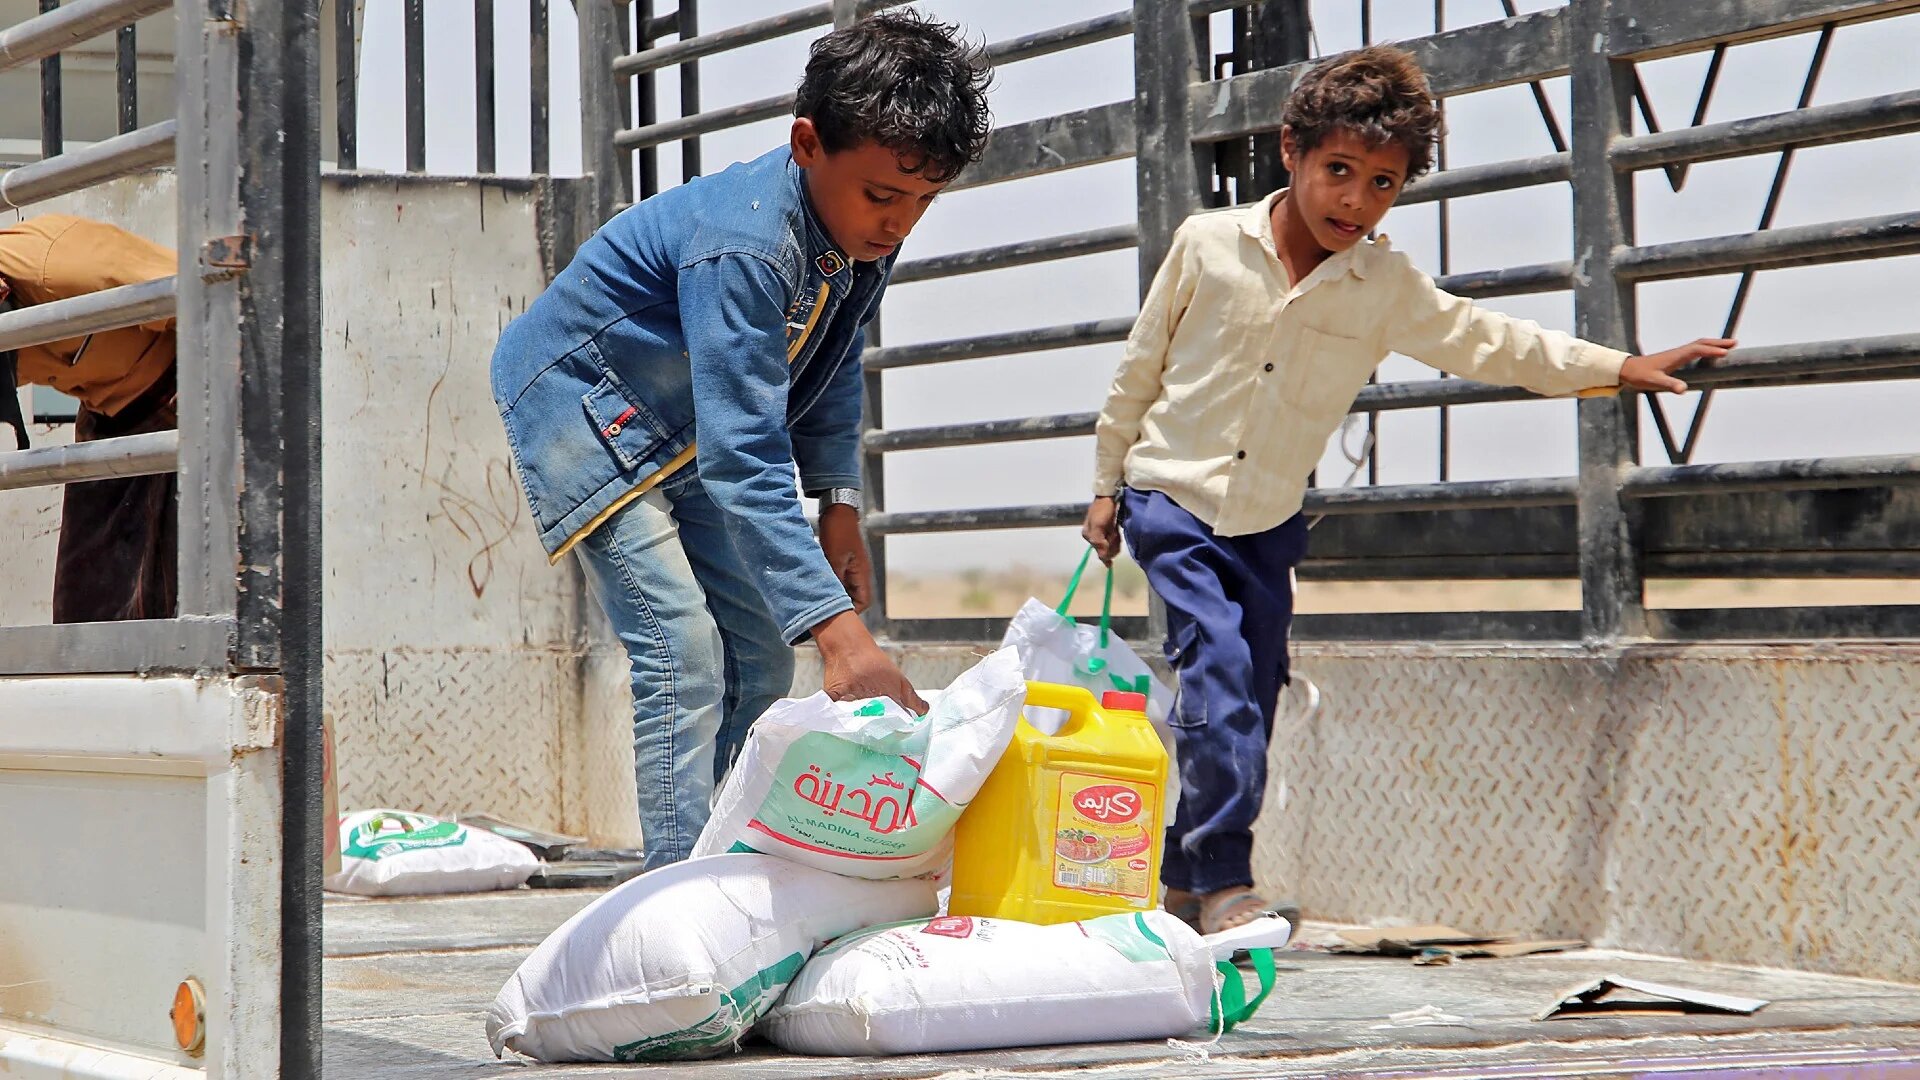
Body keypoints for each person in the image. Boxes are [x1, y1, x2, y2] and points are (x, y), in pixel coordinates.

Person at [1080, 45, 1735, 934]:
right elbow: (1139, 368)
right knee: (1221, 675)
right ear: (1291, 151)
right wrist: (1105, 483)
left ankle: (1183, 878)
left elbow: (1492, 341)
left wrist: (1620, 365)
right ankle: (1229, 877)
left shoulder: (1382, 285)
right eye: (1339, 171)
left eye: (1382, 183)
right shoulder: (1207, 244)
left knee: (1256, 686)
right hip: (1173, 498)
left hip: (1268, 520)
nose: (1356, 200)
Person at [492, 10, 993, 870]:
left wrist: (838, 503)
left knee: (760, 656)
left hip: (689, 419)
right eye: (883, 196)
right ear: (807, 143)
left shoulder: (859, 232)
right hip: (588, 408)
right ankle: (677, 897)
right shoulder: (749, 246)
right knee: (683, 653)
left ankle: (724, 860)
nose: (900, 223)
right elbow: (743, 458)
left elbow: (832, 362)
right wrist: (840, 636)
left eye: (922, 201)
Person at [0, 214, 179, 623]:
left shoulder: (67, 268)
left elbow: (207, 298)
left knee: (177, 596)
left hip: (182, 390)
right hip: (107, 411)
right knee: (84, 608)